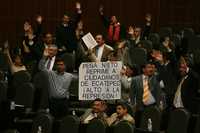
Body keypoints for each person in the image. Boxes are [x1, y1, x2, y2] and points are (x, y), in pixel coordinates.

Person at [38, 48, 76, 117]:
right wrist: (44, 57)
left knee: (64, 120)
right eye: (58, 65)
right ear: (55, 66)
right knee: (53, 120)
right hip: (53, 102)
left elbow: (81, 79)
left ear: (65, 66)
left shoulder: (69, 76)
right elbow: (41, 68)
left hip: (64, 102)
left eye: (61, 64)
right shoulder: (50, 74)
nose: (59, 66)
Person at [130, 61, 161, 127]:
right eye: (149, 67)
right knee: (139, 127)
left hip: (152, 108)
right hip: (140, 108)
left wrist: (158, 106)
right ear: (143, 69)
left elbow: (158, 93)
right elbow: (132, 94)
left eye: (151, 68)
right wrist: (133, 106)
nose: (151, 69)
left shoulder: (155, 79)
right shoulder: (135, 80)